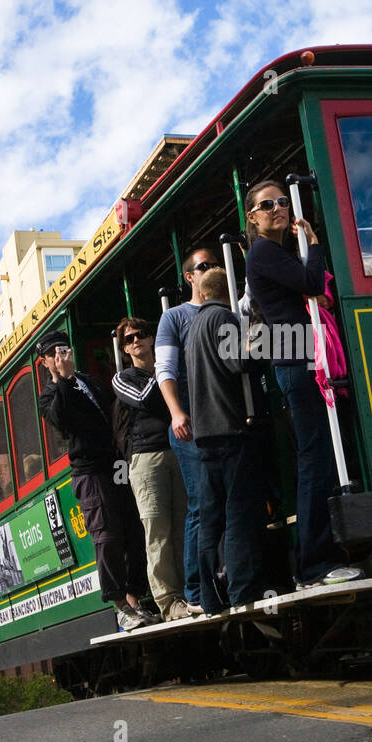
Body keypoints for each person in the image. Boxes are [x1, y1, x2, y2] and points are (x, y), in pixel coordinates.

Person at [242, 179, 359, 589]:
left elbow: (305, 292)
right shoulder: (263, 252)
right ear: (253, 217)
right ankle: (313, 565)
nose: (277, 208)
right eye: (267, 204)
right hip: (296, 361)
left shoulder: (273, 253)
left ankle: (323, 556)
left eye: (281, 202)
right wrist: (313, 240)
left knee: (321, 458)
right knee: (313, 461)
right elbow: (311, 283)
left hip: (300, 358)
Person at [35, 330, 155, 631]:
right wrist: (62, 379)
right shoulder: (50, 394)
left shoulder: (88, 381)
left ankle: (135, 600)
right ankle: (119, 606)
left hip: (114, 463)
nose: (62, 357)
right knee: (107, 535)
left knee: (133, 529)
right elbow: (62, 421)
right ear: (45, 362)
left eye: (65, 349)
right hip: (89, 472)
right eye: (55, 354)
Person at [185, 267, 266, 613]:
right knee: (238, 515)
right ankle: (242, 590)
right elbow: (239, 362)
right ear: (224, 292)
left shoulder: (191, 330)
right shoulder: (224, 319)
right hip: (231, 428)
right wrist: (259, 335)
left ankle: (208, 597)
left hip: (204, 437)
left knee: (210, 519)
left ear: (202, 293)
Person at [155, 246, 223, 615]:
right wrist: (177, 412)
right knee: (201, 503)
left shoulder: (225, 310)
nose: (210, 270)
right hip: (191, 426)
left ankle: (222, 579)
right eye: (203, 266)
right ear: (189, 276)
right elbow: (164, 369)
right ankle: (196, 589)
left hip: (224, 422)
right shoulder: (176, 317)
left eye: (215, 264)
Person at [111, 317, 190, 621]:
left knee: (183, 525)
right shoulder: (123, 378)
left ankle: (189, 592)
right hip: (146, 460)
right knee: (157, 531)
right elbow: (144, 398)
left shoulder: (165, 367)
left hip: (178, 450)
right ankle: (169, 603)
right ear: (124, 348)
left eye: (141, 335)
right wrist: (165, 370)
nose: (136, 341)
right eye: (129, 339)